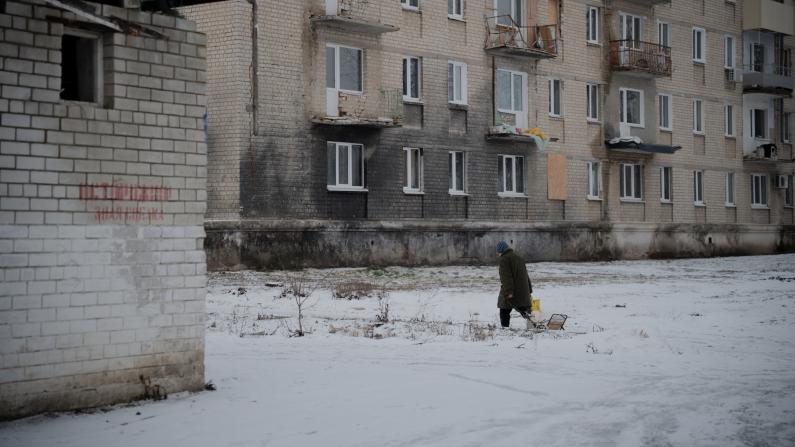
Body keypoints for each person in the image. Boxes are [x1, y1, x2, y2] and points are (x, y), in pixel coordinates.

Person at [496, 240, 533, 328]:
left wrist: (509, 292)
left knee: (504, 308)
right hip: (523, 290)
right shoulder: (519, 258)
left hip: (512, 290)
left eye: (497, 252)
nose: (497, 254)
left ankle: (505, 328)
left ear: (501, 250)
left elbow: (506, 278)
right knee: (524, 308)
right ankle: (533, 325)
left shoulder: (504, 260)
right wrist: (529, 290)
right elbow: (525, 275)